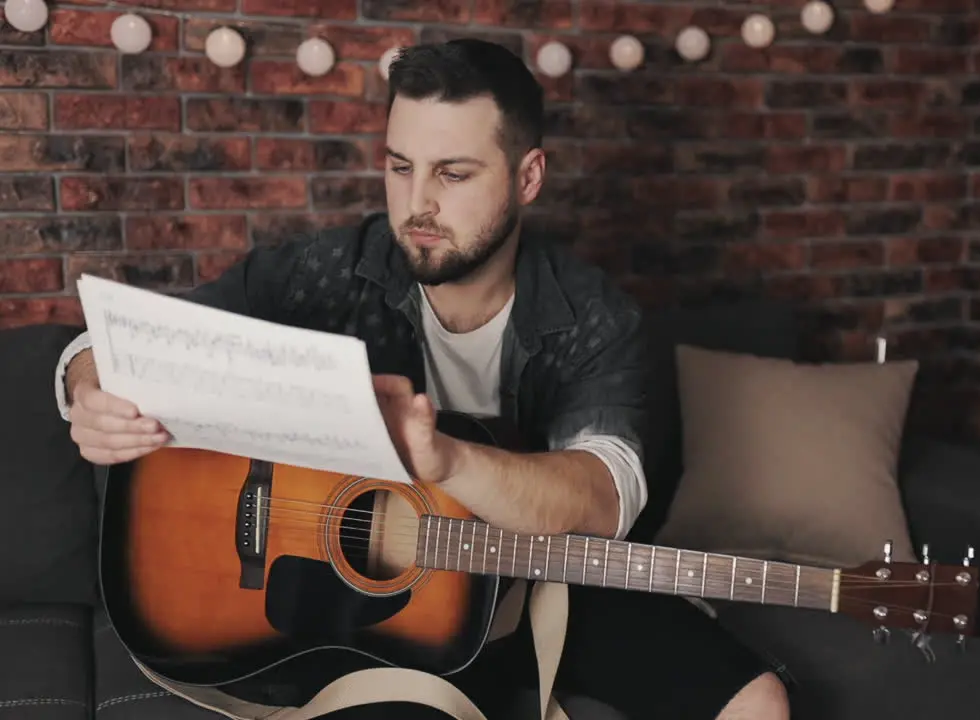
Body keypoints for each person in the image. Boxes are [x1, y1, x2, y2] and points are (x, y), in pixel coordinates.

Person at [54, 39, 790, 720]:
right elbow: (122, 343)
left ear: (528, 176)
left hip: (543, 578)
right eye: (400, 167)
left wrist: (447, 460)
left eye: (453, 173)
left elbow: (601, 498)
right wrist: (90, 385)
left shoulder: (595, 318)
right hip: (370, 610)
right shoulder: (324, 273)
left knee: (758, 700)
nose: (417, 206)